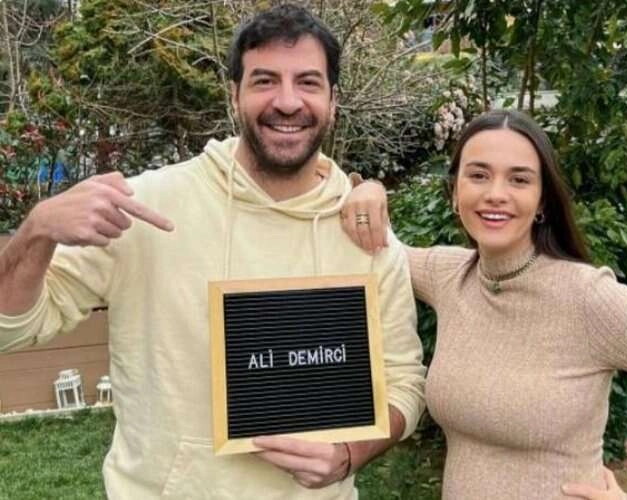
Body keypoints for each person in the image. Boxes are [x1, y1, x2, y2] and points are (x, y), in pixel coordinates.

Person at [0, 5, 425, 499]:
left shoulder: (365, 231)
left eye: (308, 82)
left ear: (333, 100)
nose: (288, 101)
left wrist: (349, 453)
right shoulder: (146, 208)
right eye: (265, 81)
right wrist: (36, 232)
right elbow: (11, 328)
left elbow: (404, 383)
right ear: (234, 94)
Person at [342, 109, 627, 499]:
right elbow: (375, 242)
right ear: (455, 192)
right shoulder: (449, 275)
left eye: (519, 179)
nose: (495, 194)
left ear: (541, 201)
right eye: (478, 175)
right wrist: (368, 189)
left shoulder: (589, 299)